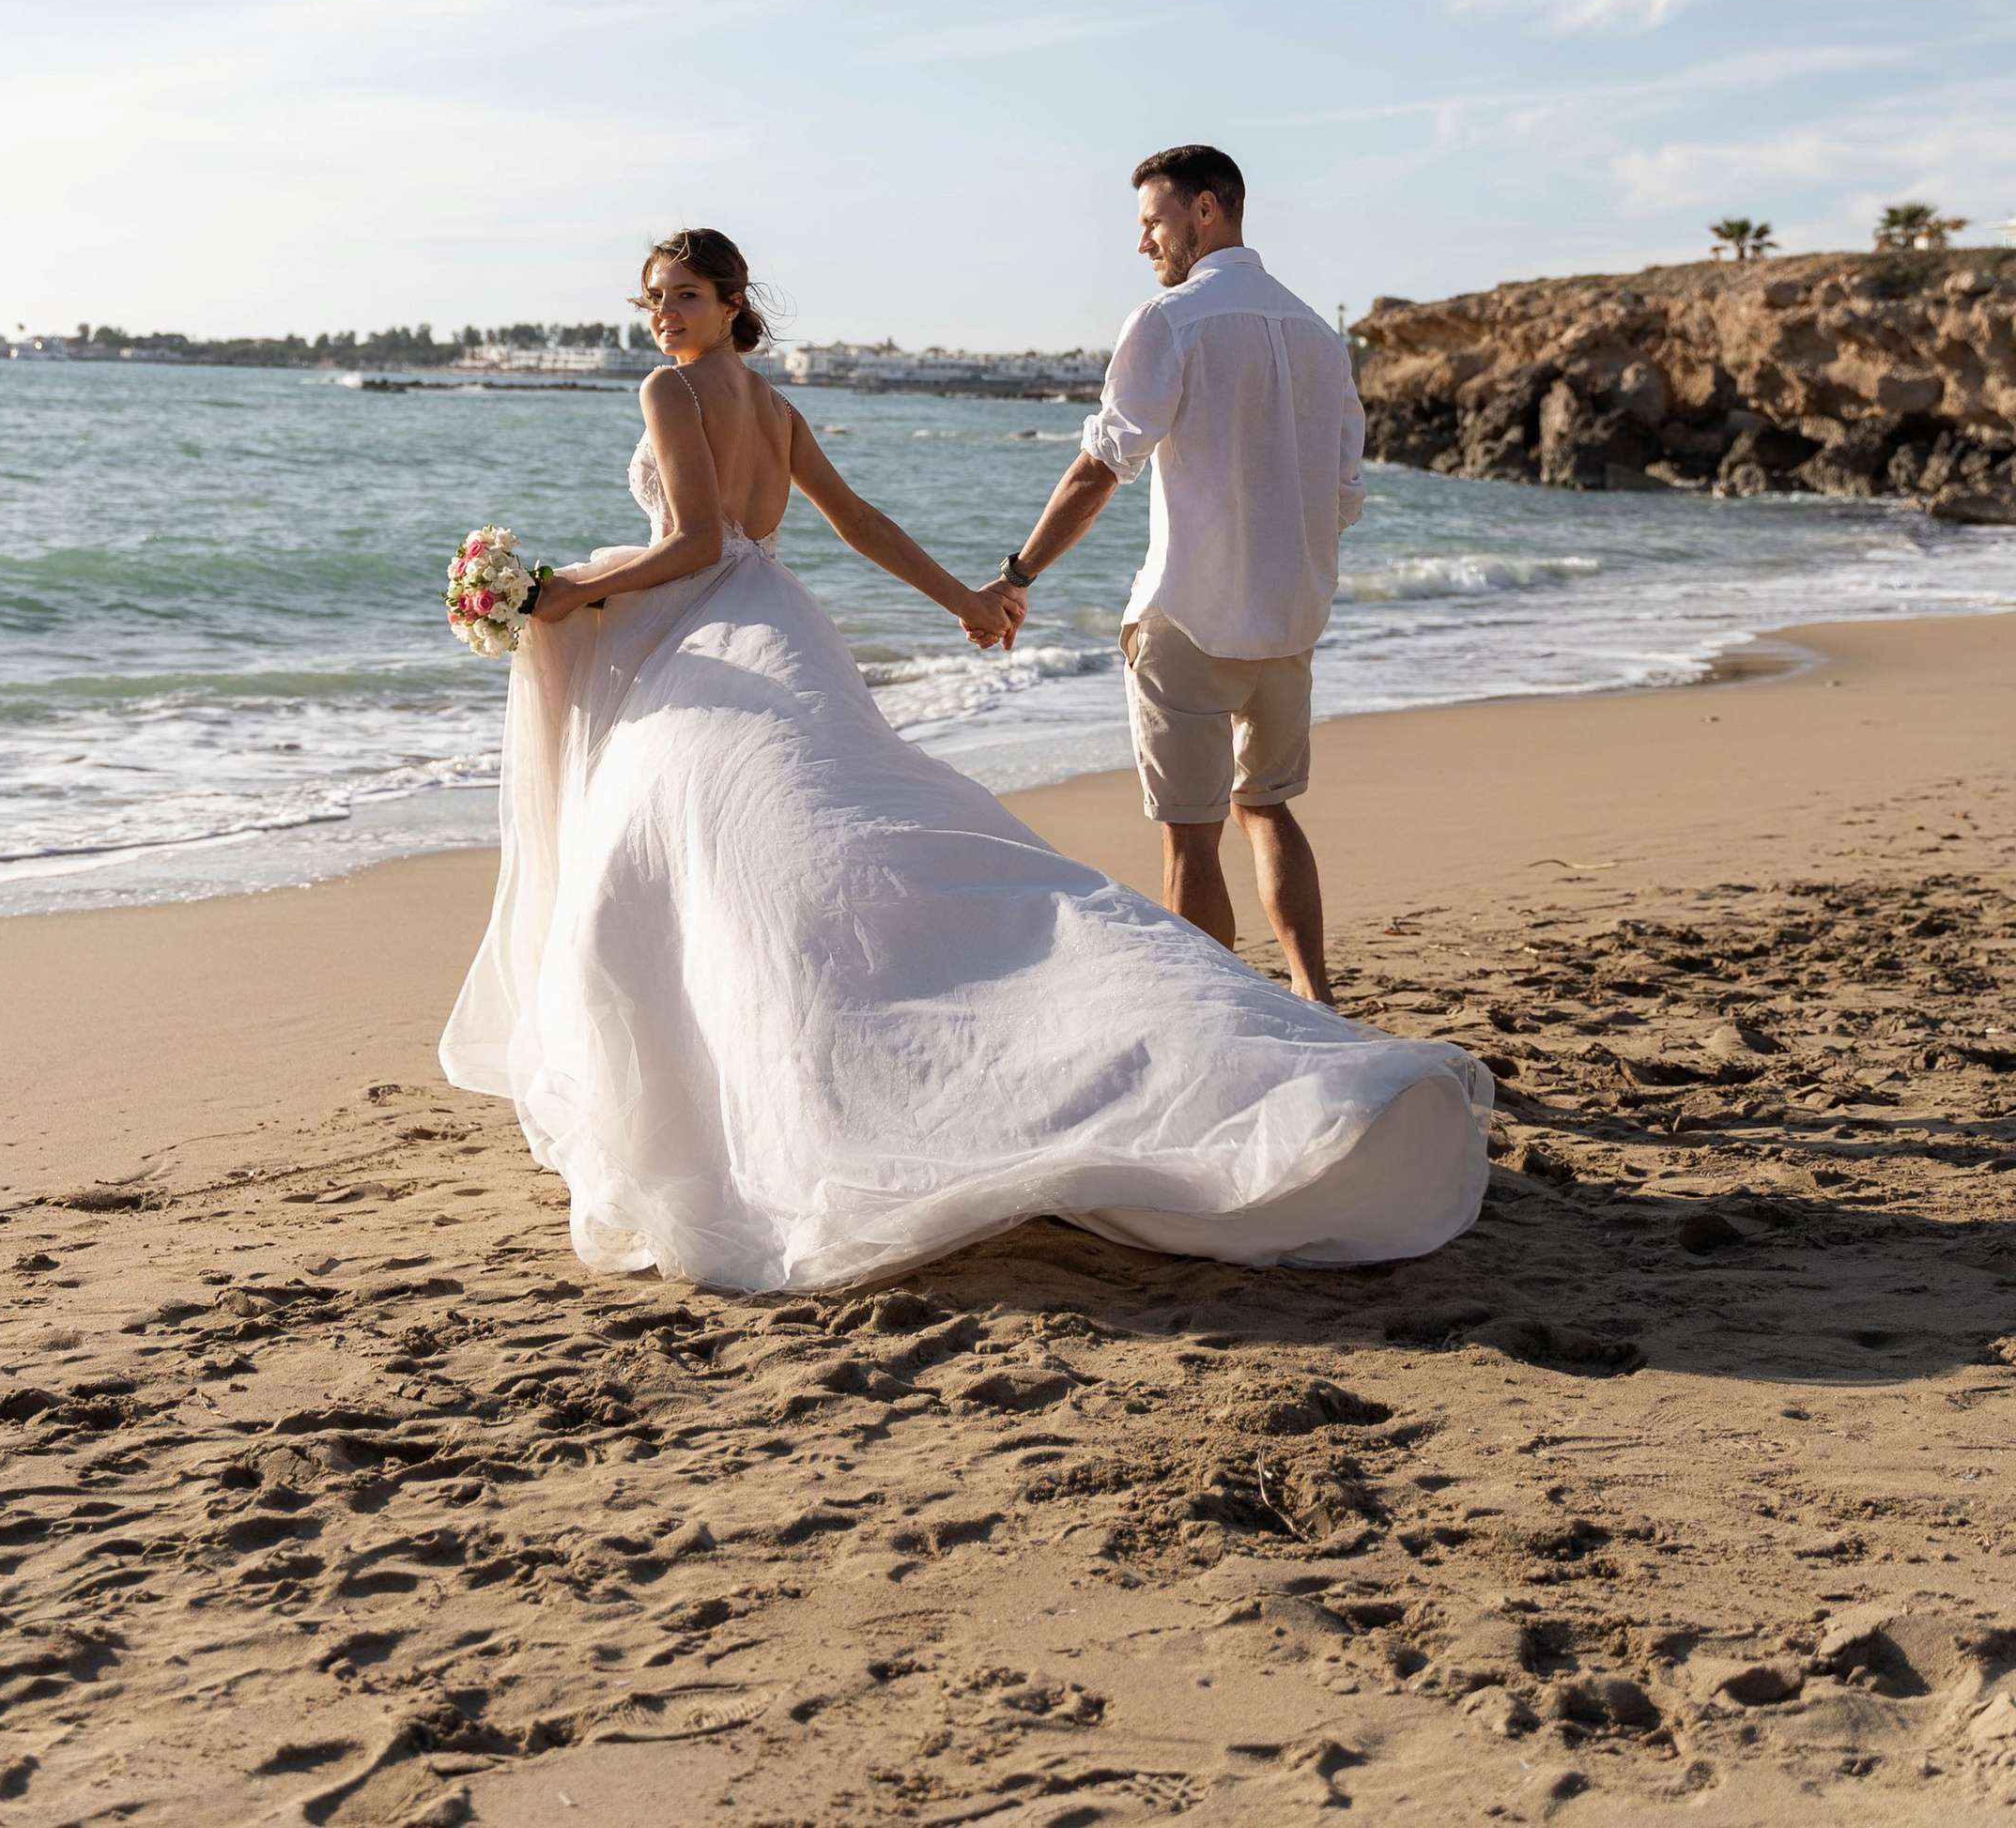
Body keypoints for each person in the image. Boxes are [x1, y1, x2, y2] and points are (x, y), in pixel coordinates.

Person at [439, 223, 1485, 1292]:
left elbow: (701, 542)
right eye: (653, 300)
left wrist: (566, 591)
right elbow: (861, 525)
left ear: (731, 300)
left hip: (710, 636)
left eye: (686, 297)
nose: (665, 317)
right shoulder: (778, 405)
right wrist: (971, 601)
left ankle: (720, 1099)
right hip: (778, 626)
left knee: (709, 863)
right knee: (821, 841)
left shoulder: (672, 391)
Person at [985, 144, 1362, 1005]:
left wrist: (1019, 571)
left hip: (1187, 615)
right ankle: (1316, 997)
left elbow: (1102, 466)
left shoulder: (1169, 321)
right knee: (1266, 807)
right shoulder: (1319, 335)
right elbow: (1342, 495)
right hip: (1289, 622)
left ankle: (1214, 1020)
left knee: (1190, 840)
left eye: (1153, 221)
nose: (1143, 242)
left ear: (1204, 210)